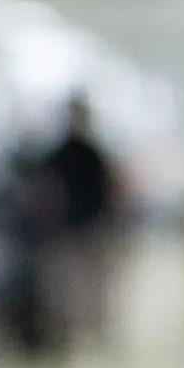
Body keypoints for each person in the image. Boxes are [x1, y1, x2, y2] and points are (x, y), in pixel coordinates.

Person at [38, 93, 123, 351]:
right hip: (77, 227)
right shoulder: (82, 153)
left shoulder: (84, 154)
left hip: (82, 226)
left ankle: (83, 332)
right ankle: (81, 332)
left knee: (80, 283)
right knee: (80, 284)